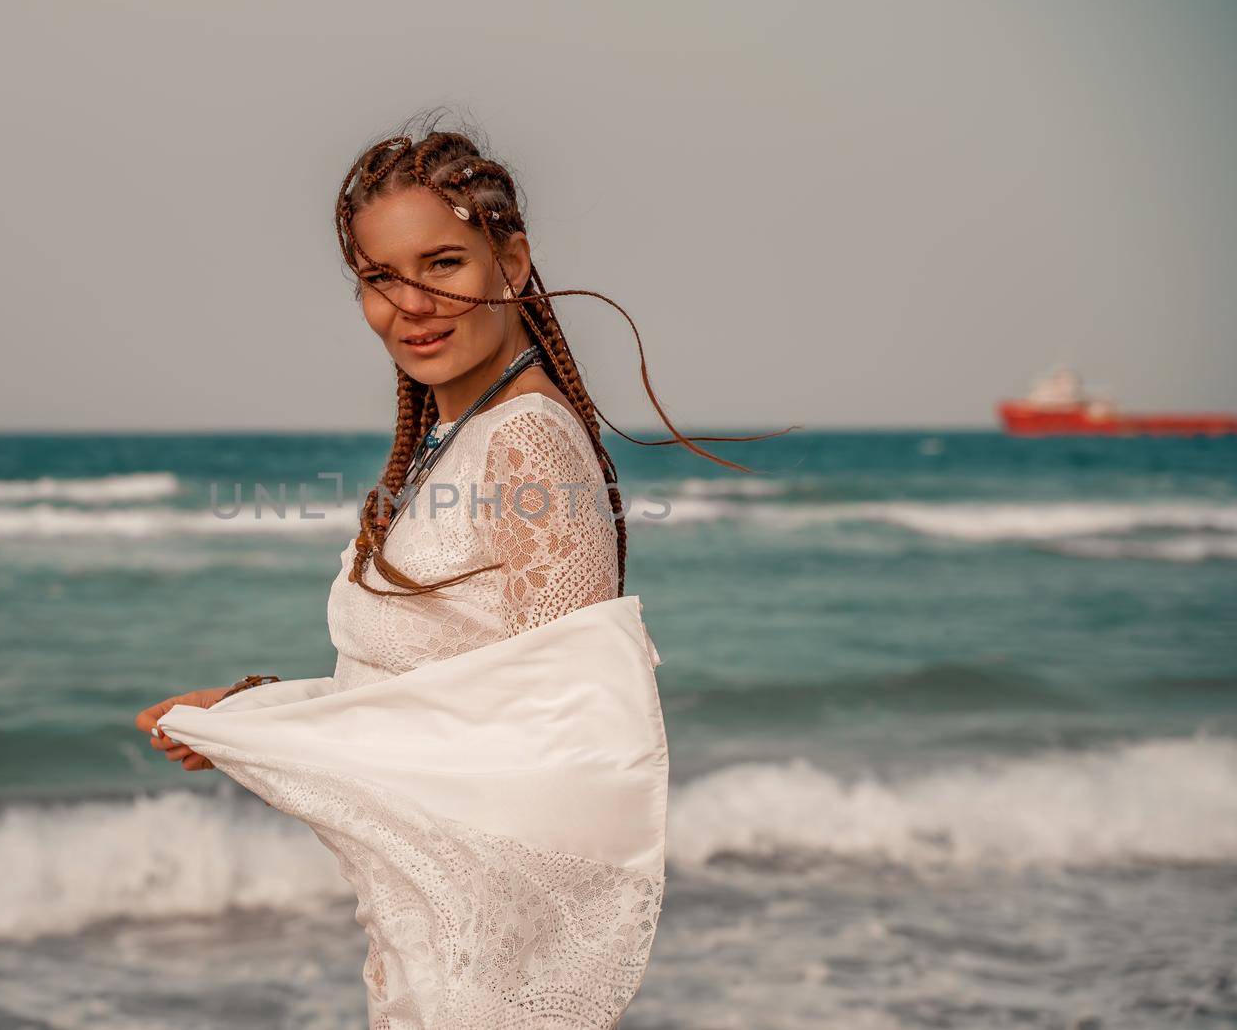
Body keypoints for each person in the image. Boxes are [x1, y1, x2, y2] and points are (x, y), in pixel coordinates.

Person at [135, 115, 789, 1026]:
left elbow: (561, 752)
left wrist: (272, 737)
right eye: (379, 278)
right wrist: (253, 708)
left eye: (443, 263)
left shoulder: (524, 440)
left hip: (485, 973)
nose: (412, 304)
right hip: (424, 951)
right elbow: (443, 693)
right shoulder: (457, 441)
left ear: (510, 261)